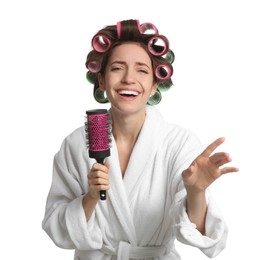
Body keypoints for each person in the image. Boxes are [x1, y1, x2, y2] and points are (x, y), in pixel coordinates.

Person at [42, 19, 239, 260]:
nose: (128, 78)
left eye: (142, 70)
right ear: (101, 80)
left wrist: (196, 190)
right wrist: (90, 197)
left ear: (155, 84)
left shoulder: (178, 143)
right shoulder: (75, 145)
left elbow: (201, 234)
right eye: (117, 68)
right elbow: (56, 226)